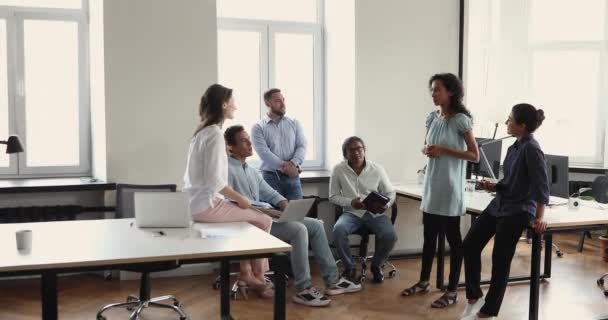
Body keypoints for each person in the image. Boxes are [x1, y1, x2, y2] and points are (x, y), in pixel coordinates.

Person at [224, 125, 361, 307]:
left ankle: (332, 280)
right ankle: (303, 289)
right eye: (244, 140)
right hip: (250, 223)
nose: (250, 143)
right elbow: (233, 204)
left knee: (316, 224)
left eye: (249, 139)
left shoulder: (251, 170)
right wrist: (271, 211)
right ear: (230, 146)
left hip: (268, 216)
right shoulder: (226, 170)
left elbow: (270, 193)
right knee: (298, 230)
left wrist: (285, 205)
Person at [183, 84, 273, 299]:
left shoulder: (201, 132)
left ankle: (246, 273)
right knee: (263, 220)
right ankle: (257, 277)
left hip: (196, 204)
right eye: (232, 101)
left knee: (247, 222)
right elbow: (215, 180)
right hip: (206, 206)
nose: (235, 106)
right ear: (223, 105)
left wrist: (229, 200)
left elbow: (194, 178)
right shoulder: (214, 134)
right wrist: (240, 199)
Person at [461, 104, 549, 320]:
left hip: (518, 209)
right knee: (470, 245)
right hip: (500, 203)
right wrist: (496, 186)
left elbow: (541, 186)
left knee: (500, 260)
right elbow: (511, 180)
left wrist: (539, 218)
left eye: (510, 120)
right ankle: (474, 298)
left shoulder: (532, 148)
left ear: (522, 125)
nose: (507, 123)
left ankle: (488, 312)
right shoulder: (514, 146)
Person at [402, 73, 479, 309]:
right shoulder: (431, 117)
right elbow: (428, 144)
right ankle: (424, 281)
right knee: (429, 240)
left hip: (450, 189)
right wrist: (428, 149)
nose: (433, 94)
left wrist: (444, 150)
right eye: (432, 90)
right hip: (432, 187)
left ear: (451, 92)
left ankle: (453, 291)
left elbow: (474, 155)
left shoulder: (461, 121)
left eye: (437, 90)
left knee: (454, 243)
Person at [330, 136, 398, 283]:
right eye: (351, 150)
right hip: (351, 213)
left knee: (390, 235)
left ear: (364, 150)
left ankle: (377, 265)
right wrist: (350, 202)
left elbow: (390, 192)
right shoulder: (338, 169)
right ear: (345, 154)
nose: (356, 153)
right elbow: (333, 196)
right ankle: (350, 267)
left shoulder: (377, 169)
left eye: (359, 149)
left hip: (375, 214)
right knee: (338, 230)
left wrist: (386, 204)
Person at [251, 88, 306, 200]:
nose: (283, 104)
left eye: (283, 100)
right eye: (278, 101)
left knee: (297, 214)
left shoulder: (294, 123)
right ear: (267, 103)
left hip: (293, 177)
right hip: (270, 178)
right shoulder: (258, 127)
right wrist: (287, 167)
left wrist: (293, 164)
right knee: (274, 215)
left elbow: (302, 146)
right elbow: (264, 153)